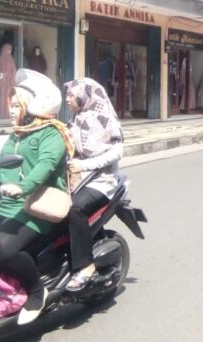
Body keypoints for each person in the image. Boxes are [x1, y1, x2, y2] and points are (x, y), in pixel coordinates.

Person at [0, 69, 74, 325]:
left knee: (5, 250)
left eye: (15, 105)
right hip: (7, 204)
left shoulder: (52, 133)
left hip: (36, 207)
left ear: (32, 106)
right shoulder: (18, 132)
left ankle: (36, 291)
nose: (10, 110)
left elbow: (45, 165)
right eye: (10, 105)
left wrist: (24, 187)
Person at [63, 78, 124, 291]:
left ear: (85, 97)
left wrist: (84, 165)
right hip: (76, 179)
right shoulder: (75, 119)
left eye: (72, 95)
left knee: (74, 209)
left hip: (101, 182)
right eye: (68, 95)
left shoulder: (104, 118)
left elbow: (117, 152)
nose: (68, 99)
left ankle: (85, 266)